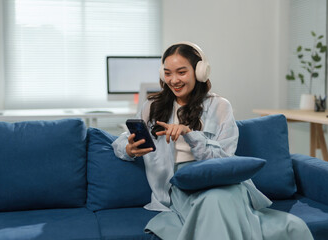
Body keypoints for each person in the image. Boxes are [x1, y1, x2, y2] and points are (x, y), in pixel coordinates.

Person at [112, 42, 313, 240]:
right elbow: (120, 142)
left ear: (200, 72)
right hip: (182, 185)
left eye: (181, 72)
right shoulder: (152, 106)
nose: (173, 80)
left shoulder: (219, 106)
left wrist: (189, 134)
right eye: (168, 73)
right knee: (214, 201)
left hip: (222, 180)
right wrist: (129, 148)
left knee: (219, 198)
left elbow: (224, 157)